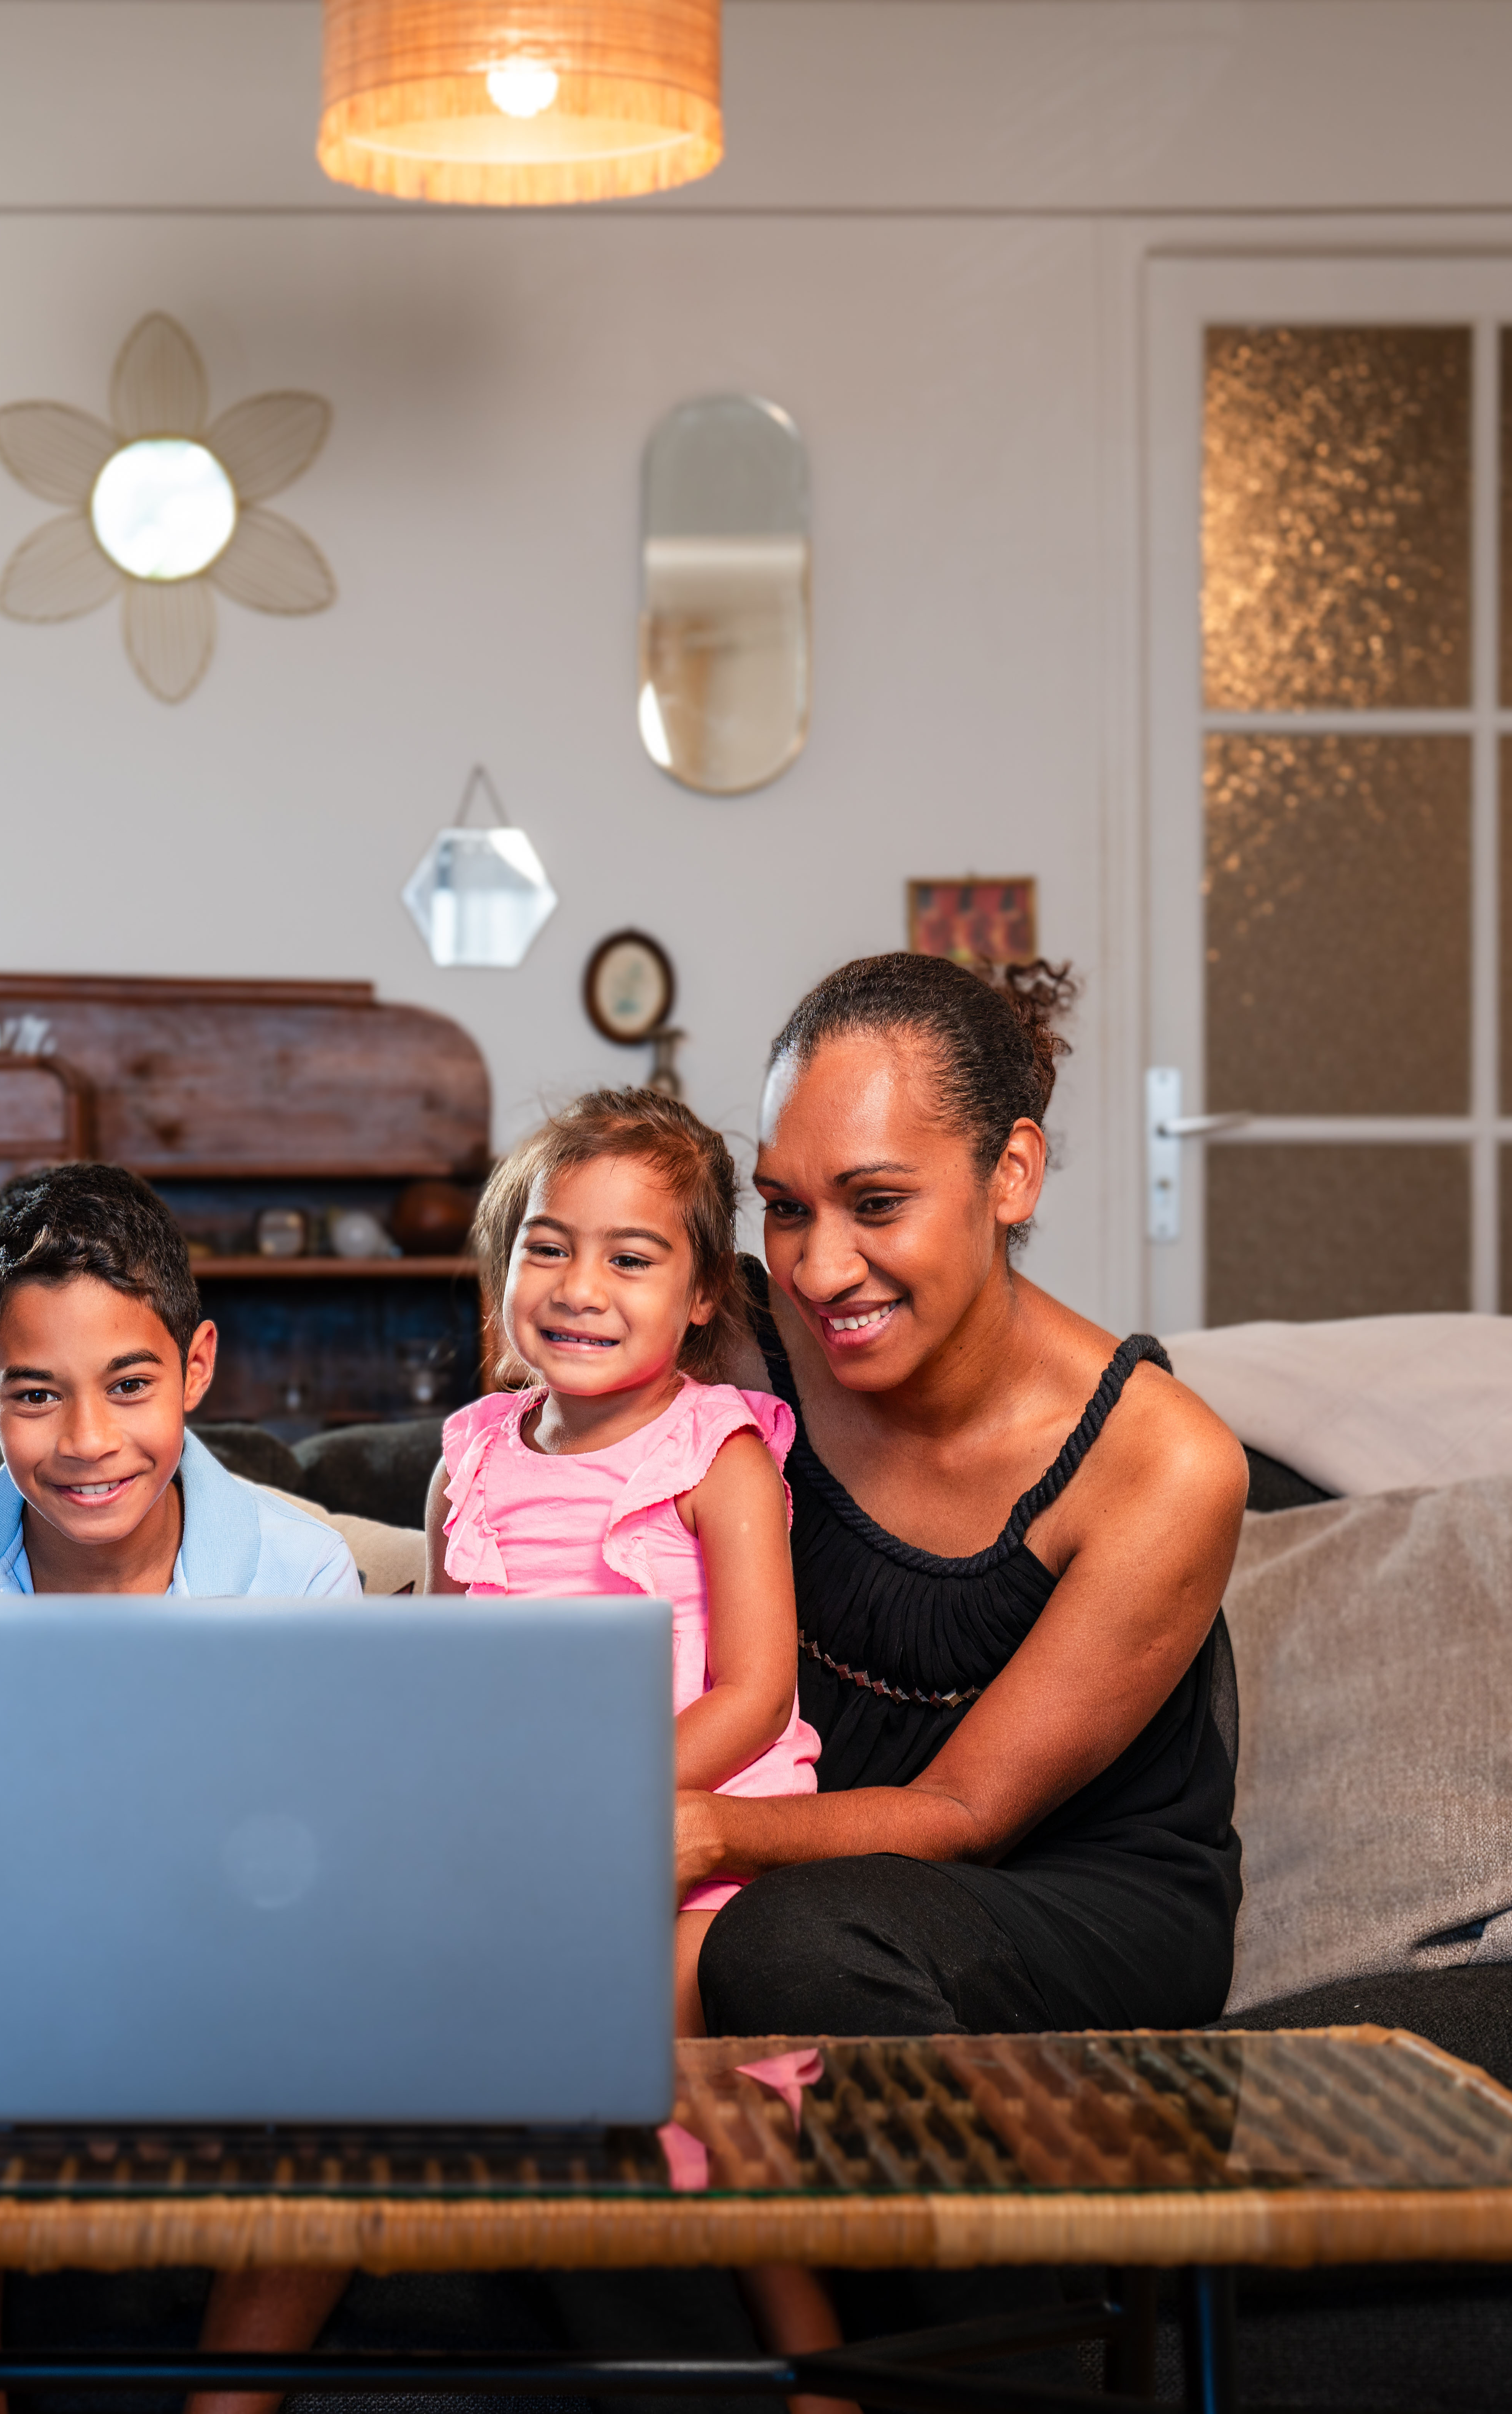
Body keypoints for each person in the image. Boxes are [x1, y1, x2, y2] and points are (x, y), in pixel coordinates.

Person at [0, 1164, 357, 2414]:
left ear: (198, 1368)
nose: (89, 1443)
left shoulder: (301, 1568)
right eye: (36, 1397)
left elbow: (319, 1885)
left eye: (129, 1386)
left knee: (352, 2037)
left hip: (232, 1980)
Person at [687, 950, 1248, 2042]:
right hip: (803, 1856)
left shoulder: (1162, 1464)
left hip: (1064, 1889)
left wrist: (704, 1834)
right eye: (785, 1209)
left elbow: (964, 1813)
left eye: (878, 1203)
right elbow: (523, 1446)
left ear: (1013, 1175)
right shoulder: (739, 1354)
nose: (820, 1269)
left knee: (785, 1944)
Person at [420, 1087, 838, 2385]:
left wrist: (597, 1814)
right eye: (548, 1245)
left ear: (704, 1292)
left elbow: (756, 1694)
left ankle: (818, 2373)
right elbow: (440, 1686)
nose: (579, 1285)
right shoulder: (471, 1457)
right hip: (527, 1864)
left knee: (700, 2084)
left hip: (697, 1857)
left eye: (631, 1255)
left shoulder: (720, 1456)